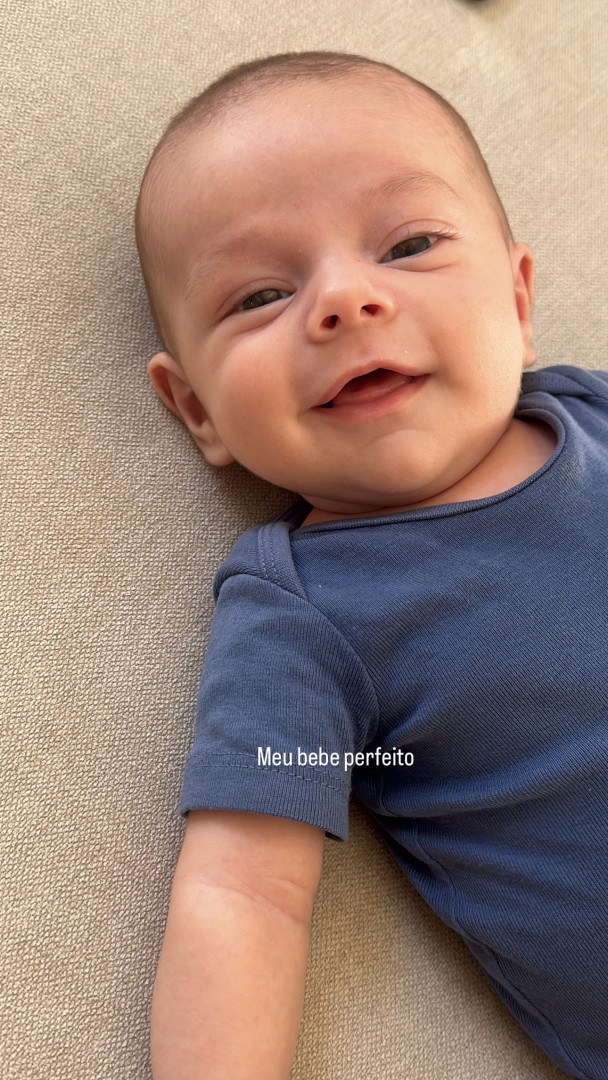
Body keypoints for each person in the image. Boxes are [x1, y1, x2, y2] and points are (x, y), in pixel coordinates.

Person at [135, 51, 608, 1080]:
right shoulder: (304, 613)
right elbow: (244, 895)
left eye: (409, 244)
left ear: (518, 302)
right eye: (261, 294)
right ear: (199, 410)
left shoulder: (593, 411)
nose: (345, 299)